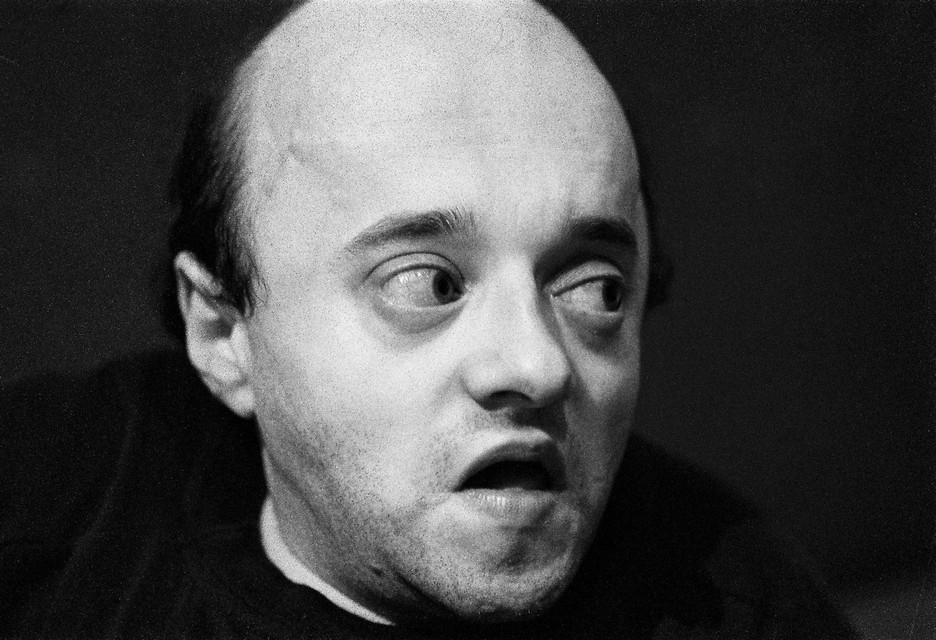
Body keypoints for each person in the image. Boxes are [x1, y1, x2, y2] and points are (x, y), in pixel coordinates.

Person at [1, 1, 856, 637]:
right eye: (428, 283)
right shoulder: (51, 500)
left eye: (594, 289)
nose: (536, 365)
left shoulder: (748, 605)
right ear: (224, 335)